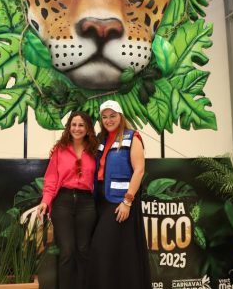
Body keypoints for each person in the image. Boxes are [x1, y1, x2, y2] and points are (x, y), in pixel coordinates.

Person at [88, 100, 151, 289]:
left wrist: (127, 201)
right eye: (105, 117)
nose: (109, 120)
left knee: (102, 247)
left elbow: (139, 170)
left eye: (112, 116)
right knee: (114, 253)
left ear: (121, 116)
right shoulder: (100, 139)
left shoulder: (132, 137)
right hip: (100, 202)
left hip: (120, 203)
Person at [37, 111, 98, 289]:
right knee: (67, 251)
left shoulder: (95, 150)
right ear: (69, 127)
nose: (77, 128)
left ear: (88, 128)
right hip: (63, 202)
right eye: (74, 124)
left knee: (84, 250)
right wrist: (45, 201)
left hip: (86, 203)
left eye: (81, 125)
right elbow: (51, 179)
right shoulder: (60, 149)